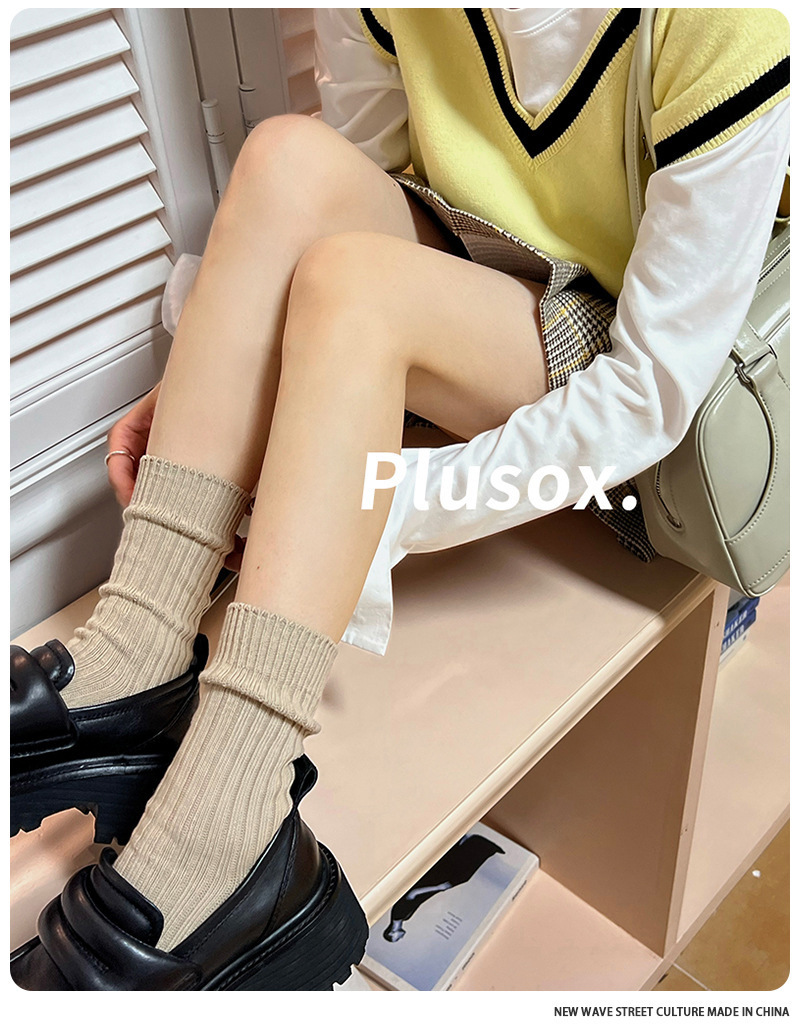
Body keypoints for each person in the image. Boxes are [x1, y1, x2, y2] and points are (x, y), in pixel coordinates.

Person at [10, 8, 789, 990]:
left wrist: (367, 499)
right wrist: (217, 366)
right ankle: (135, 656)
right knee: (288, 160)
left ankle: (232, 818)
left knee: (357, 289)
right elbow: (349, 194)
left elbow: (653, 397)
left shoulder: (729, 25)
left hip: (617, 361)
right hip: (474, 266)